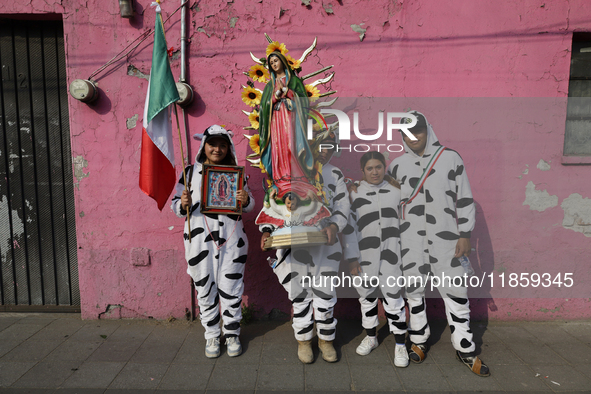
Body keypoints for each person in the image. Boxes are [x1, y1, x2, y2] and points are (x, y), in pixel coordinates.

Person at [388, 111, 490, 376]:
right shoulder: (396, 165)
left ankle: (465, 346)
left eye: (418, 131)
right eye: (407, 133)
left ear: (428, 129)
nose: (413, 137)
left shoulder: (450, 158)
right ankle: (419, 340)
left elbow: (464, 198)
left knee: (456, 292)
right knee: (414, 292)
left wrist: (465, 234)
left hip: (447, 239)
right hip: (409, 239)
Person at [260, 131, 349, 364]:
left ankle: (326, 340)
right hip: (295, 247)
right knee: (299, 294)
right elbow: (273, 204)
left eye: (331, 145)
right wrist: (267, 232)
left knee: (325, 293)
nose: (326, 150)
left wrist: (334, 226)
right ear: (310, 145)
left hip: (325, 246)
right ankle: (304, 341)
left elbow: (342, 207)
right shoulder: (289, 172)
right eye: (322, 144)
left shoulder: (335, 174)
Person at [171, 125, 255, 359]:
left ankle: (232, 333)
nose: (217, 149)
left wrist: (246, 199)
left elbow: (250, 206)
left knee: (231, 288)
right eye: (212, 144)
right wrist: (183, 204)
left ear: (228, 147)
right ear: (204, 146)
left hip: (232, 240)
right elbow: (175, 204)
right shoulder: (189, 173)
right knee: (204, 286)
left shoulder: (237, 174)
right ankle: (211, 334)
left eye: (222, 145)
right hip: (199, 241)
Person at [346, 151, 409, 367]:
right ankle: (371, 337)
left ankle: (400, 345)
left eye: (379, 167)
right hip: (364, 257)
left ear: (384, 167)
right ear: (363, 171)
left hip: (392, 255)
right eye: (370, 168)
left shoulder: (397, 191)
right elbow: (349, 228)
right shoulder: (354, 193)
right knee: (367, 298)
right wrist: (352, 259)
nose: (375, 172)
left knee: (394, 298)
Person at [258, 51, 318, 200]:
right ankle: (280, 178)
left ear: (283, 61)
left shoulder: (294, 81)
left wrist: (289, 92)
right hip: (276, 121)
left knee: (292, 145)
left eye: (276, 61)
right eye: (271, 63)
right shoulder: (269, 85)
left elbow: (304, 101)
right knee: (279, 148)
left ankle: (297, 176)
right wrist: (276, 96)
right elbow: (263, 107)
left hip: (292, 118)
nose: (274, 64)